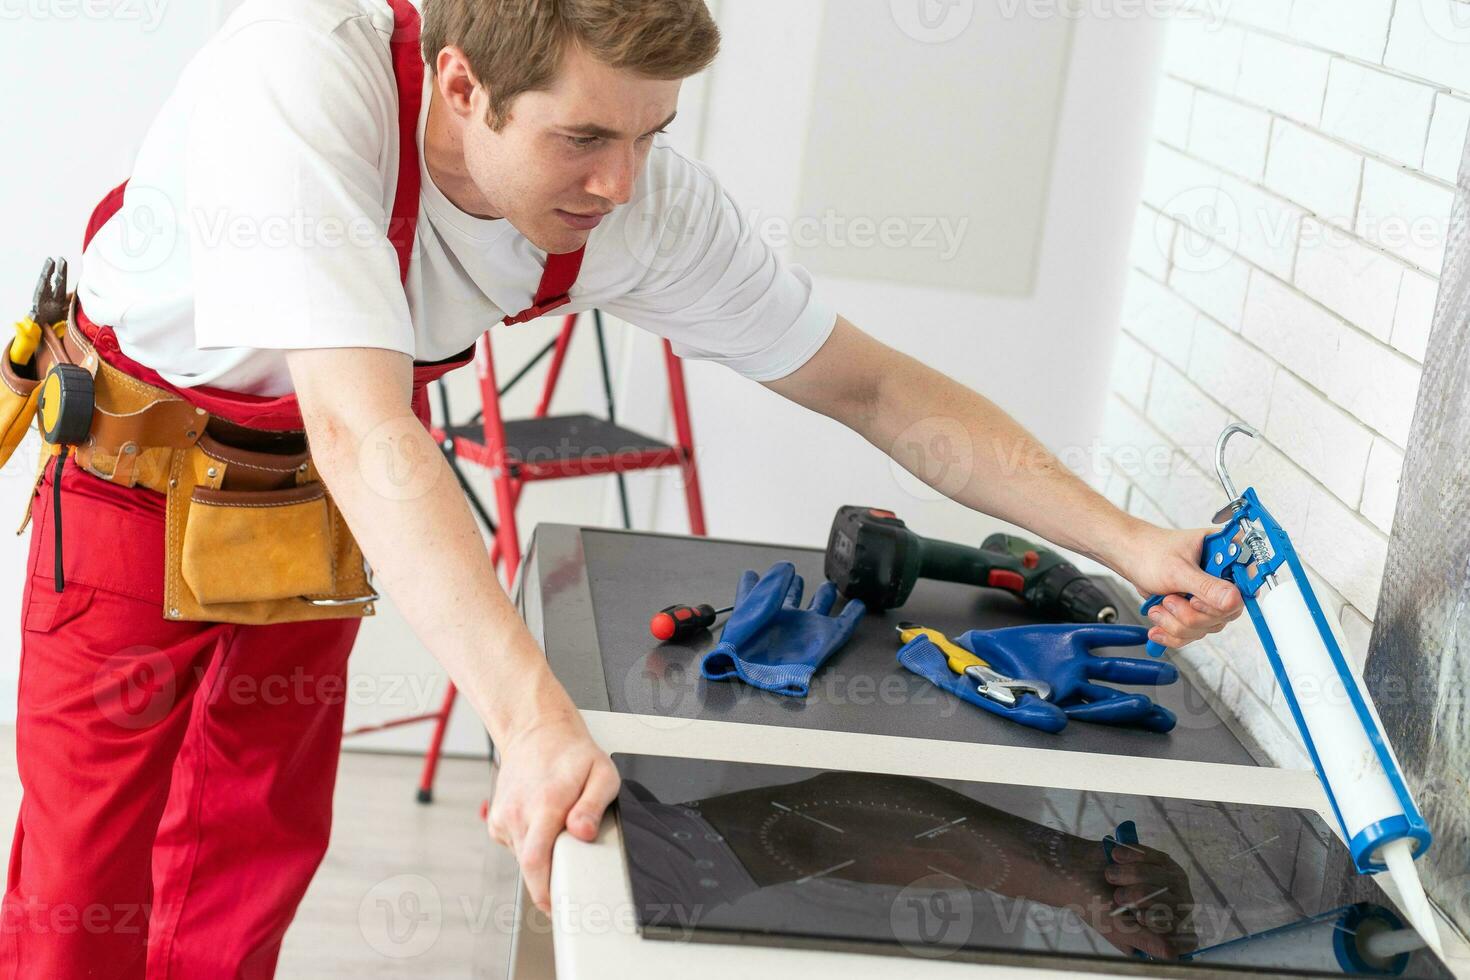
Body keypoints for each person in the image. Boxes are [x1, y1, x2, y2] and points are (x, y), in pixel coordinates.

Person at [0, 0, 1242, 975]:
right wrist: (536, 726)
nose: (622, 186)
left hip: (311, 512)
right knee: (84, 871)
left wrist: (1129, 539)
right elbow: (361, 420)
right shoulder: (299, 79)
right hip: (134, 470)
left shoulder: (631, 199)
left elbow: (872, 389)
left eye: (651, 135)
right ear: (462, 85)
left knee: (249, 857)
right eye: (585, 137)